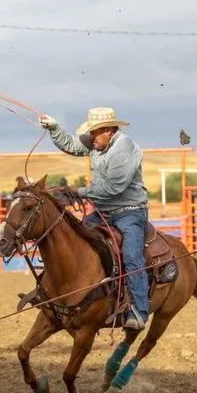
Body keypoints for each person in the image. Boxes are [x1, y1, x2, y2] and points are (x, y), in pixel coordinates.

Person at [39, 107, 149, 331]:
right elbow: (72, 145)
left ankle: (139, 311)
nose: (90, 138)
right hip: (103, 213)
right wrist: (54, 128)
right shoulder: (97, 142)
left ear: (108, 131)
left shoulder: (124, 149)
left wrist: (77, 192)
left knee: (131, 256)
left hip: (130, 211)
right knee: (73, 241)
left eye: (94, 133)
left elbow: (113, 187)